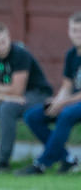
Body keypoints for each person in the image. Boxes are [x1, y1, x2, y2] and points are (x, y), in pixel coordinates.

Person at [0, 22, 52, 172]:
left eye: (3, 42)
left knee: (7, 109)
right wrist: (6, 96)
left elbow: (17, 90)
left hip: (36, 94)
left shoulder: (20, 54)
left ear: (8, 36)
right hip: (10, 98)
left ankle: (3, 162)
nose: (1, 47)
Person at [17, 11, 81, 175]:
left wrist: (62, 104)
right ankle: (67, 160)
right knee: (33, 116)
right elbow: (67, 86)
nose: (77, 34)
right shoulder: (71, 55)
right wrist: (56, 101)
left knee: (65, 114)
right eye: (74, 30)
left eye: (80, 30)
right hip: (73, 102)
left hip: (74, 104)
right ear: (68, 31)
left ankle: (42, 163)